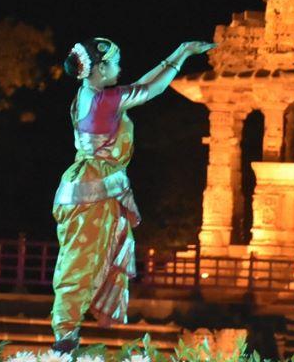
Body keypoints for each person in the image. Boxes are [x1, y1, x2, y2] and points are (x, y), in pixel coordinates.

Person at [50, 37, 214, 353]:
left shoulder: (89, 94)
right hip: (93, 192)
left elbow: (140, 84)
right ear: (99, 68)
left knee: (84, 259)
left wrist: (178, 52)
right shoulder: (103, 101)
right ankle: (64, 339)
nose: (120, 68)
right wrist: (181, 55)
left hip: (89, 186)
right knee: (81, 261)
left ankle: (66, 335)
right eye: (115, 62)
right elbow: (149, 89)